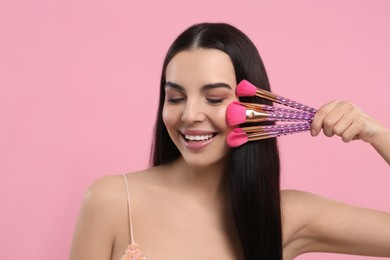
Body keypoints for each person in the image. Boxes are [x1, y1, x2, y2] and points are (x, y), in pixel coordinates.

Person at [70, 23, 390, 260]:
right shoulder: (111, 201)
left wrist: (376, 134)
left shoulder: (283, 217)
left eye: (213, 98)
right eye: (175, 97)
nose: (190, 114)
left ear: (253, 109)